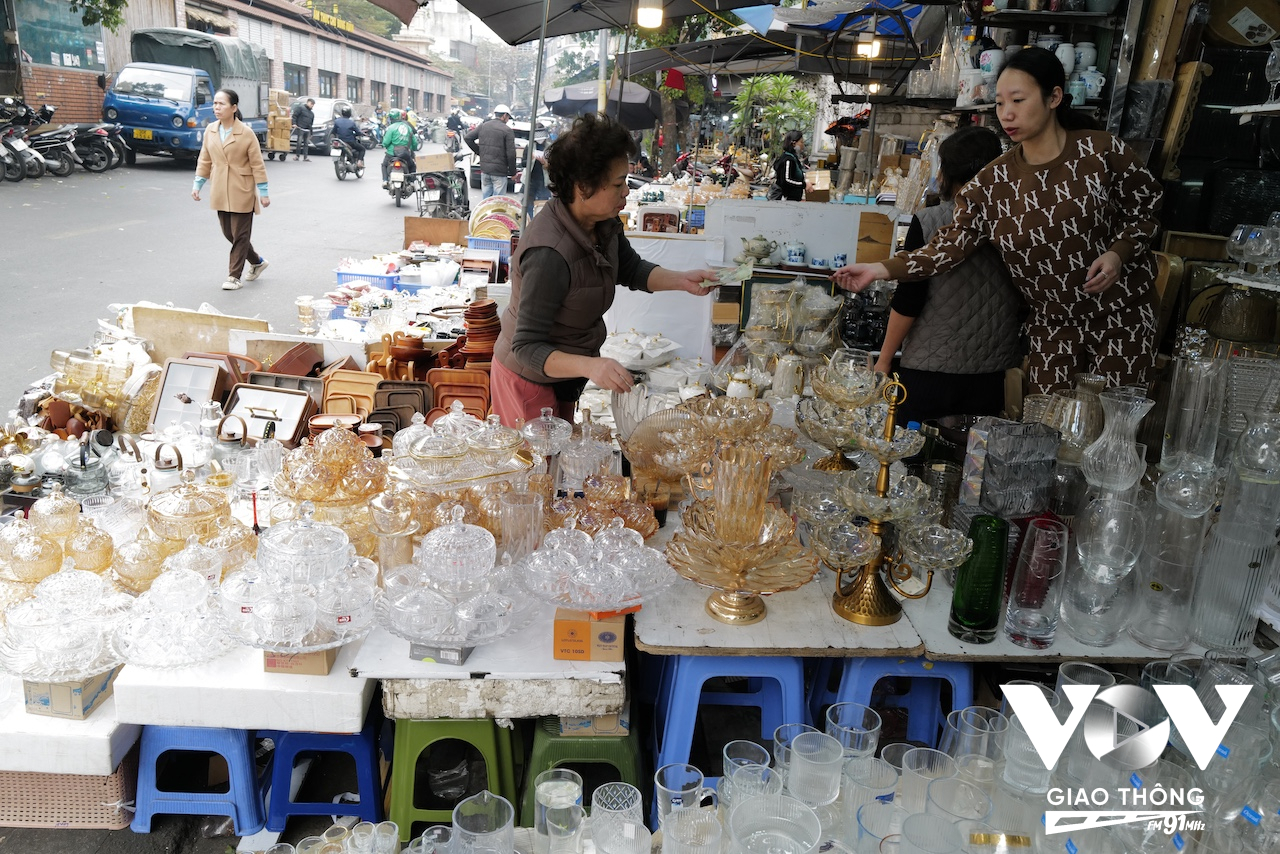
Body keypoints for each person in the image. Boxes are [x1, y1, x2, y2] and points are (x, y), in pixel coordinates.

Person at [832, 47, 1164, 394]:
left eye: (1018, 100)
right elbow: (948, 245)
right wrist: (879, 269)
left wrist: (1119, 252)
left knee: (1117, 428)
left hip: (1122, 316)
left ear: (1054, 97)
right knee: (1051, 430)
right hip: (1053, 327)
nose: (1007, 114)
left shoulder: (1100, 151)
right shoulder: (992, 184)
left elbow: (1147, 206)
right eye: (1000, 103)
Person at [491, 114, 717, 425]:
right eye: (618, 183)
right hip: (527, 379)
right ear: (583, 187)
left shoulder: (603, 224)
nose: (626, 190)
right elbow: (528, 348)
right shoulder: (549, 253)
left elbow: (631, 269)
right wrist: (591, 366)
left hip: (563, 374)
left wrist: (683, 280)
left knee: (561, 457)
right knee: (538, 468)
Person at [873, 127, 1025, 425]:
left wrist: (884, 359)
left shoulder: (929, 221)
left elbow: (909, 299)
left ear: (947, 172)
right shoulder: (1016, 220)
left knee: (913, 457)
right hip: (993, 375)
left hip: (930, 373)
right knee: (976, 463)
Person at [191, 89, 270, 291]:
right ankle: (258, 261)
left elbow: (257, 164)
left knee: (240, 235)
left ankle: (234, 276)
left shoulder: (246, 133)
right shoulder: (211, 130)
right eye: (215, 103)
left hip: (241, 188)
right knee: (230, 234)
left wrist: (263, 192)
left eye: (222, 104)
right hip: (219, 187)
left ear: (234, 108)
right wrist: (198, 184)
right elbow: (205, 158)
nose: (217, 107)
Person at [465, 104, 517, 198]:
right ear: (505, 115)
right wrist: (513, 173)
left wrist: (480, 152)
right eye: (508, 117)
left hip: (485, 170)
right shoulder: (507, 130)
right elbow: (511, 154)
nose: (508, 119)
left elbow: (468, 138)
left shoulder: (483, 126)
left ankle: (486, 213)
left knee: (486, 201)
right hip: (499, 172)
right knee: (497, 202)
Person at [381, 108, 419, 187]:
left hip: (391, 153)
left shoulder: (391, 128)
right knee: (412, 166)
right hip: (405, 154)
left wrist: (387, 147)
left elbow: (385, 142)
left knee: (384, 165)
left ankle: (385, 181)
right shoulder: (408, 127)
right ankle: (412, 182)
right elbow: (414, 142)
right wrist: (413, 149)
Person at [769, 131, 811, 201]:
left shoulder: (794, 158)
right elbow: (786, 180)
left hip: (794, 199)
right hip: (786, 199)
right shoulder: (788, 159)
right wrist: (804, 185)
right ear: (794, 143)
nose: (803, 145)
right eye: (801, 142)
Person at [331, 104, 364, 170]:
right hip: (350, 142)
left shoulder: (337, 121)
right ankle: (359, 162)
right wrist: (362, 134)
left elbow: (333, 131)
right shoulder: (351, 122)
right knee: (362, 149)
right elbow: (357, 132)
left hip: (339, 141)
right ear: (349, 113)